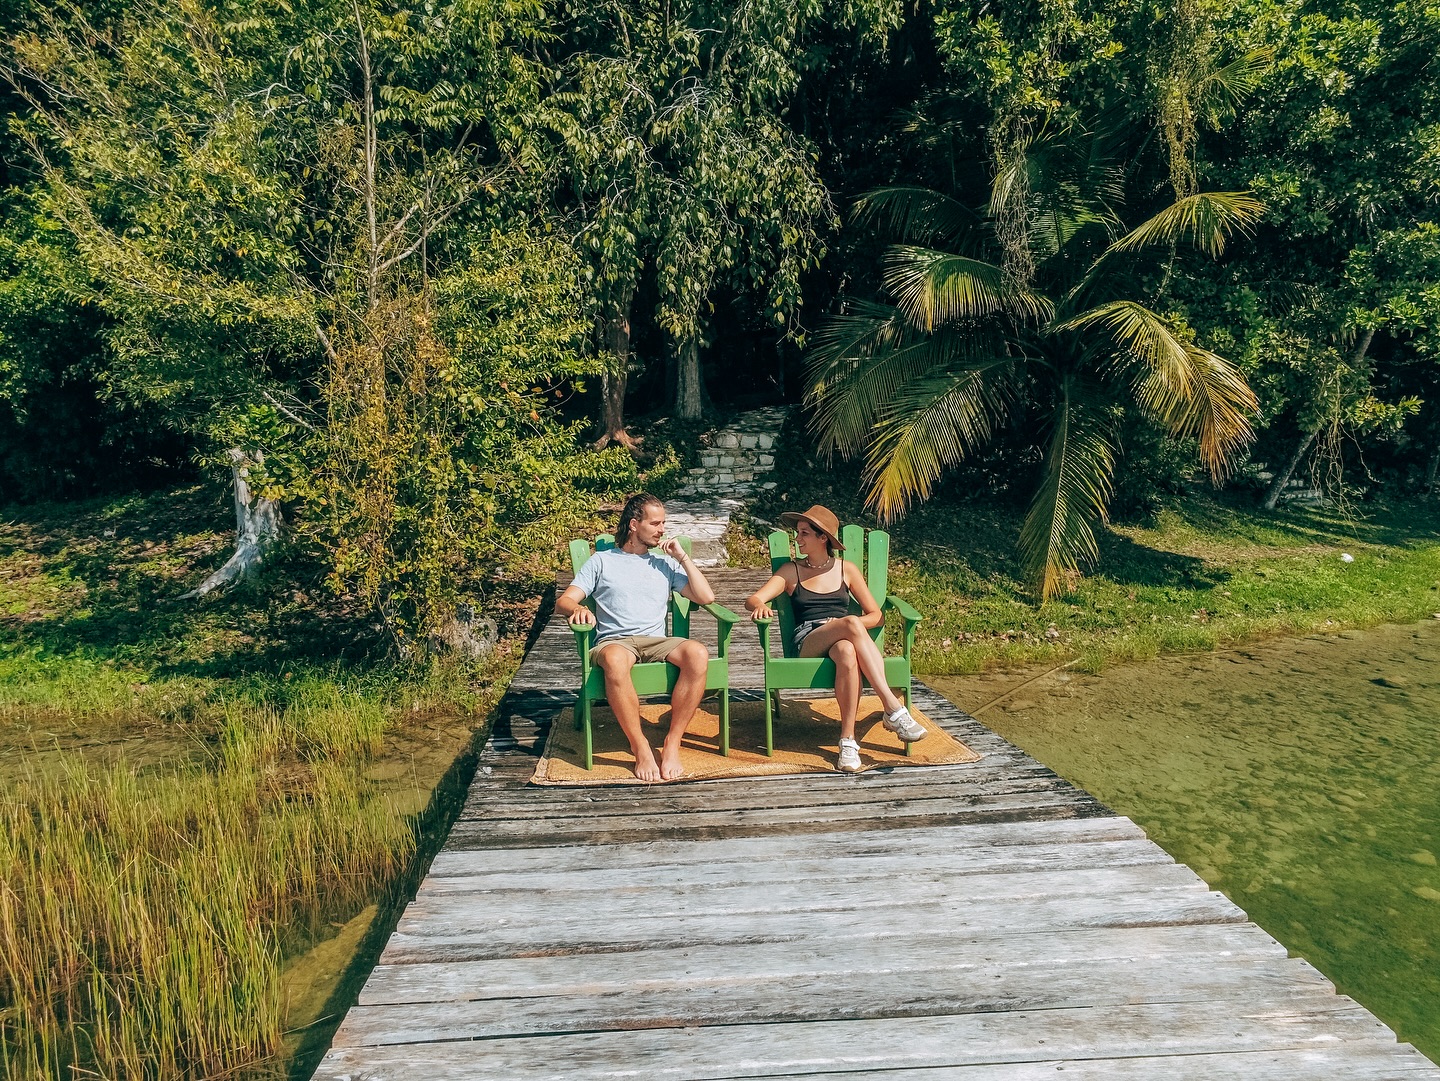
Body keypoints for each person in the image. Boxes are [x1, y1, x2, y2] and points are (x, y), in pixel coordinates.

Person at [744, 504, 927, 772]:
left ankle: (847, 742)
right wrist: (758, 605)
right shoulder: (791, 570)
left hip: (844, 640)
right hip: (807, 640)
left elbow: (877, 616)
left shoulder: (846, 570)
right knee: (850, 625)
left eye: (804, 533)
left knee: (846, 651)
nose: (798, 539)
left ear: (823, 538)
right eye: (797, 533)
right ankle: (892, 707)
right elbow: (754, 598)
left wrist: (841, 627)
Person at [556, 493, 717, 782]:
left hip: (657, 641)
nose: (662, 529)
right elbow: (564, 601)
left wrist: (682, 557)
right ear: (634, 524)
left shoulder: (664, 565)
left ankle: (672, 742)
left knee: (698, 653)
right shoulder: (601, 561)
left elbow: (706, 597)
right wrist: (578, 608)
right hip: (615, 642)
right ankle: (640, 744)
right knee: (616, 659)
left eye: (663, 523)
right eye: (655, 523)